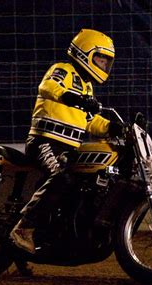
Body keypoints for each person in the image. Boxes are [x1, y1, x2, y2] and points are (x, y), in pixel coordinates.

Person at [10, 29, 124, 254]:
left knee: (82, 184)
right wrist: (69, 96)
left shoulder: (87, 87)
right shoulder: (63, 70)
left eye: (107, 61)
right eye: (100, 58)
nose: (104, 64)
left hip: (70, 148)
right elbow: (48, 87)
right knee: (62, 176)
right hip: (45, 142)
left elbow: (90, 121)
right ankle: (24, 227)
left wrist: (113, 127)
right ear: (85, 53)